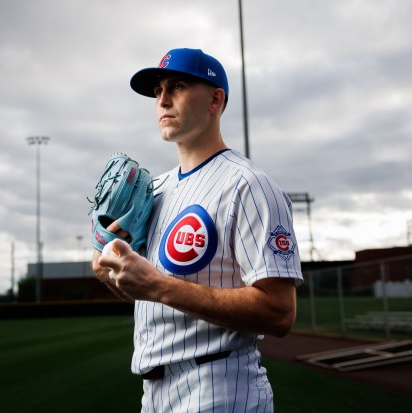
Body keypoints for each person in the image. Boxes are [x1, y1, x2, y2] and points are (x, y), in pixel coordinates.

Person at [92, 48, 303, 412]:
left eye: (177, 86)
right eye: (158, 91)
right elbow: (149, 296)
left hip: (219, 387)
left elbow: (278, 312)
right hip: (154, 393)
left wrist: (157, 284)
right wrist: (115, 273)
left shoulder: (247, 185)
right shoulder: (154, 192)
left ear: (215, 100)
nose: (163, 100)